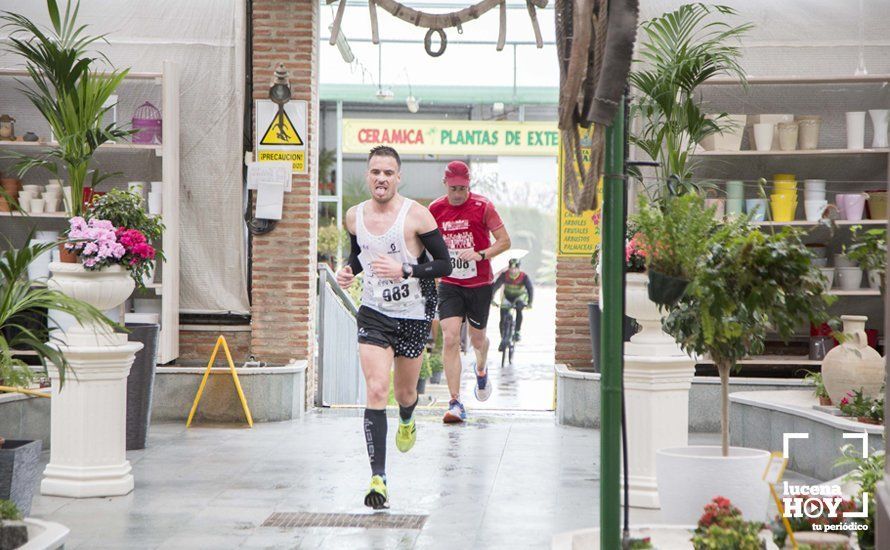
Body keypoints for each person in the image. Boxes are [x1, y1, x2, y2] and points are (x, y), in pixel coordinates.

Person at [336, 145, 452, 510]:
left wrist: (407, 270)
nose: (381, 179)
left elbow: (445, 265)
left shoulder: (416, 216)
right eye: (374, 172)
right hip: (374, 311)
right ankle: (378, 478)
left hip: (414, 313)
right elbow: (360, 255)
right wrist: (347, 270)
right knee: (375, 389)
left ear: (398, 177)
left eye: (388, 173)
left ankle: (407, 418)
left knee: (404, 394)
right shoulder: (354, 216)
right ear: (367, 175)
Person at [429, 160, 511, 423]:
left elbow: (504, 241)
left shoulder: (483, 206)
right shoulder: (435, 209)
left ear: (469, 185)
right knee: (451, 338)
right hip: (450, 283)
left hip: (479, 284)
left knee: (478, 341)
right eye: (453, 188)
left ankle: (481, 367)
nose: (457, 194)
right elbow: (424, 242)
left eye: (462, 189)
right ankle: (455, 402)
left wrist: (480, 254)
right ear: (445, 184)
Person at [492, 258, 534, 351]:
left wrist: (529, 303)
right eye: (511, 268)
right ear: (509, 268)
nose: (513, 271)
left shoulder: (524, 276)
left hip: (519, 297)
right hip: (507, 297)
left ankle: (517, 331)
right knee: (502, 316)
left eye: (515, 269)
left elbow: (530, 289)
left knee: (519, 308)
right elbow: (496, 286)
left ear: (519, 269)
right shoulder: (504, 275)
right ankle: (503, 338)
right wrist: (492, 299)